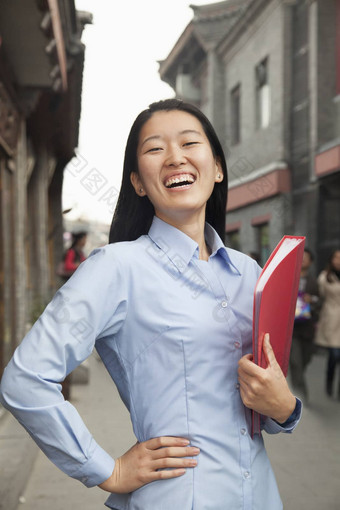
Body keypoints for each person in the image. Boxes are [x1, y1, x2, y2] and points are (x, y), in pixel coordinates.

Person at [0, 99, 301, 510]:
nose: (175, 157)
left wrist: (285, 409)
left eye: (189, 143)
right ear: (139, 183)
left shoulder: (250, 275)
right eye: (155, 149)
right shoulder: (116, 269)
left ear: (217, 168)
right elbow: (25, 379)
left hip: (260, 496)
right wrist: (107, 470)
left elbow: (262, 404)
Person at [289, 248, 319, 401]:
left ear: (311, 262)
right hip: (291, 328)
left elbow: (320, 301)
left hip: (307, 328)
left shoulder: (315, 281)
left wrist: (311, 300)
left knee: (305, 359)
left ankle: (298, 383)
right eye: (301, 257)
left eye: (306, 258)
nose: (303, 260)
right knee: (295, 362)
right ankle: (300, 394)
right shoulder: (288, 279)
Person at [314, 249, 340, 398]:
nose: (338, 260)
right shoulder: (325, 277)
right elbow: (320, 296)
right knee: (334, 355)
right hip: (331, 318)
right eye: (336, 257)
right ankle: (329, 382)